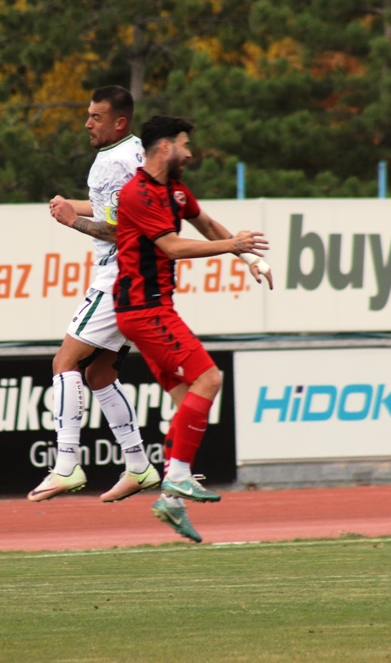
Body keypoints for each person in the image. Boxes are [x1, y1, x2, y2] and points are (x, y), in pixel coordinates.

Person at [114, 115, 272, 542]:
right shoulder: (137, 193)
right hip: (143, 309)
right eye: (184, 145)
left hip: (153, 308)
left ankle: (171, 500)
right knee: (210, 377)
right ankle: (179, 477)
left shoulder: (176, 191)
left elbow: (206, 226)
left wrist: (250, 258)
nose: (190, 152)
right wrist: (231, 246)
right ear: (164, 147)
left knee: (187, 399)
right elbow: (172, 246)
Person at [30, 86, 162, 503]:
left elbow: (127, 229)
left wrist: (71, 221)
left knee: (64, 361)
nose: (87, 123)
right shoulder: (133, 152)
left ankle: (66, 466)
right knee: (99, 374)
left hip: (120, 274)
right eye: (87, 115)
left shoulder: (115, 161)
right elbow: (113, 209)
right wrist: (77, 204)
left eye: (96, 117)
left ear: (118, 121)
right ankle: (139, 465)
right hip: (141, 275)